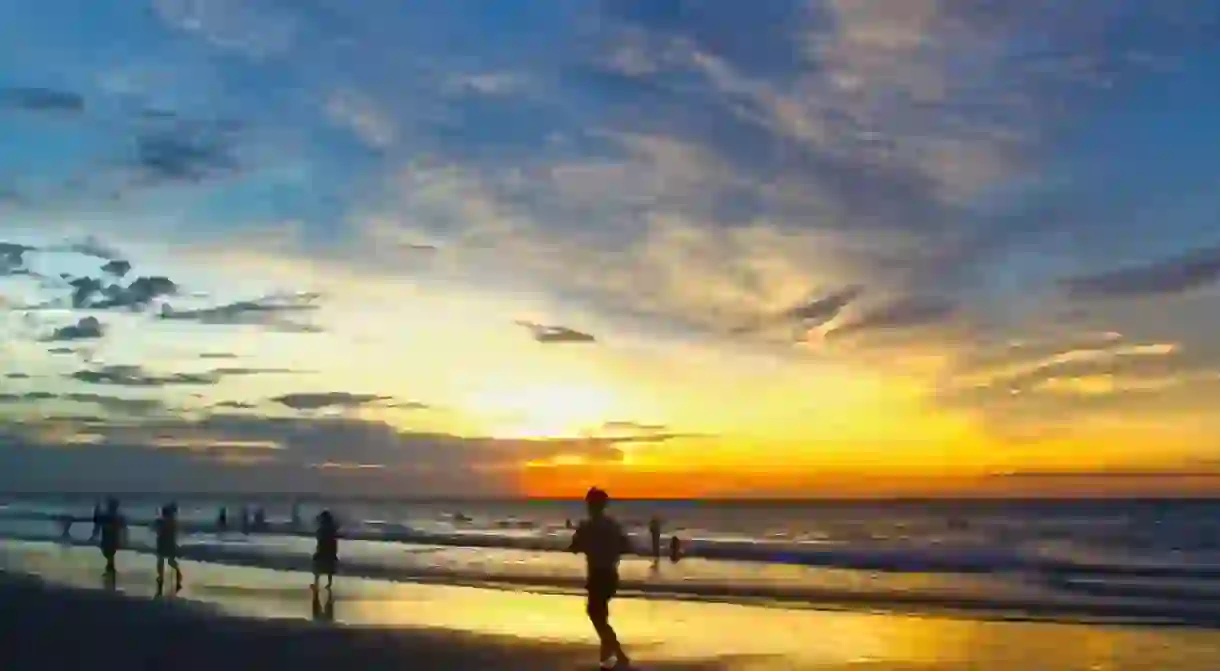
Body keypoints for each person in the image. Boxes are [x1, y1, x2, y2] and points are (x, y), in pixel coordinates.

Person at [569, 487, 632, 670]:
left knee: (595, 613)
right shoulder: (613, 525)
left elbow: (574, 547)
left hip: (597, 574)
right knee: (600, 613)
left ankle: (617, 652)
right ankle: (608, 651)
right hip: (611, 574)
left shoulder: (586, 526)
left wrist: (587, 545)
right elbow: (626, 545)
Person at [154, 502, 183, 594]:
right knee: (169, 561)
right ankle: (176, 576)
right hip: (169, 544)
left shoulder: (165, 522)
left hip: (164, 543)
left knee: (162, 561)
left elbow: (158, 531)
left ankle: (161, 578)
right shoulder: (172, 521)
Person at [98, 498, 126, 580]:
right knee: (110, 553)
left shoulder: (106, 515)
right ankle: (110, 569)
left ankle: (110, 570)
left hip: (107, 537)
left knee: (108, 553)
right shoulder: (117, 516)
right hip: (113, 537)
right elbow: (122, 525)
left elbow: (99, 521)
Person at [313, 510, 338, 590]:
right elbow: (334, 540)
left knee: (317, 566)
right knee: (329, 567)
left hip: (323, 548)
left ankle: (316, 583)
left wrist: (318, 551)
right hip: (330, 549)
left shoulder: (322, 528)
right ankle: (329, 583)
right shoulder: (332, 528)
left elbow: (319, 539)